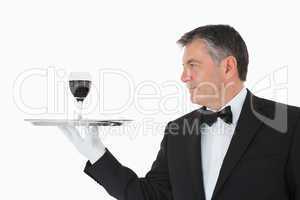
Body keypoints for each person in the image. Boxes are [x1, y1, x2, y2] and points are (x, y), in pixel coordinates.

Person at [58, 24, 300, 200]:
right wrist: (96, 153)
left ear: (228, 67)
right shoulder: (177, 131)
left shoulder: (292, 124)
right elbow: (149, 197)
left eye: (193, 65)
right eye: (183, 67)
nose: (184, 77)